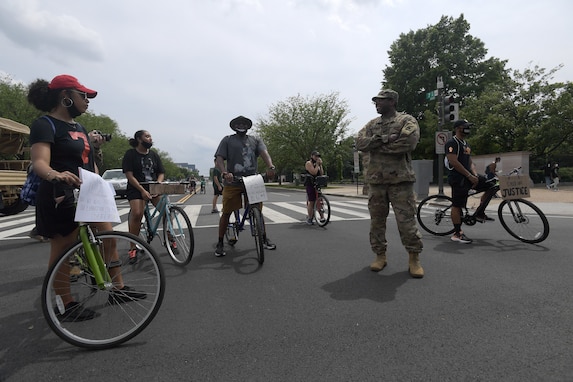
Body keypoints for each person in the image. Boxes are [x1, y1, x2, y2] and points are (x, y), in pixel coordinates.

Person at [27, 74, 145, 321]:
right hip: (60, 193)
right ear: (65, 97)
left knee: (108, 238)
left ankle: (118, 289)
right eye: (83, 95)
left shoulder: (79, 128)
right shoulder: (45, 124)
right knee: (64, 249)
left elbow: (88, 162)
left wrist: (98, 180)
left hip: (88, 192)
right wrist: (55, 175)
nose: (88, 100)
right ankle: (65, 303)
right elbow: (39, 162)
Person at [356, 89, 424, 278]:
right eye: (376, 101)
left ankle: (414, 258)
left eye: (381, 100)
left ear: (392, 101)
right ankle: (380, 255)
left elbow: (407, 143)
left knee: (406, 222)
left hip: (400, 182)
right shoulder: (371, 124)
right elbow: (360, 143)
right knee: (376, 222)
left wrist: (376, 146)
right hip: (376, 182)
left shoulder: (406, 121)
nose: (377, 103)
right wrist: (385, 139)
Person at [214, 115, 277, 257]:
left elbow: (264, 153)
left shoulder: (255, 140)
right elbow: (219, 159)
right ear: (234, 126)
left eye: (244, 123)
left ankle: (264, 238)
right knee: (227, 212)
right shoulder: (227, 140)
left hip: (252, 180)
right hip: (233, 181)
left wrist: (270, 166)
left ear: (248, 126)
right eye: (238, 123)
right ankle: (219, 242)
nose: (241, 125)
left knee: (258, 211)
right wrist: (224, 172)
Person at [445, 119, 495, 244]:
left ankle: (480, 212)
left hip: (468, 176)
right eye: (465, 126)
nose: (467, 128)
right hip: (458, 178)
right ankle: (457, 233)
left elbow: (469, 161)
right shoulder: (452, 143)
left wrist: (475, 175)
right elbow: (453, 162)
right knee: (457, 205)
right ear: (457, 128)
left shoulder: (465, 144)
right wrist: (468, 175)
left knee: (491, 185)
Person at [122, 130, 168, 261]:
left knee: (166, 212)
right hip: (136, 188)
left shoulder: (154, 155)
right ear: (139, 139)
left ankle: (170, 239)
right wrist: (142, 190)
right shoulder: (130, 154)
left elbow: (161, 172)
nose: (150, 139)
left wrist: (158, 184)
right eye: (147, 136)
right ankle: (132, 247)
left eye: (150, 136)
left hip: (153, 188)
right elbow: (129, 175)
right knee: (137, 213)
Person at [304, 150, 325, 225]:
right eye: (315, 156)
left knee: (319, 200)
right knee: (312, 201)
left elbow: (321, 173)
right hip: (310, 183)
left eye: (318, 156)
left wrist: (320, 165)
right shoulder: (309, 163)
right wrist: (317, 165)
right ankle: (310, 218)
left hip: (317, 183)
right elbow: (314, 172)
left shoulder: (318, 164)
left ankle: (322, 217)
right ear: (312, 156)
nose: (317, 158)